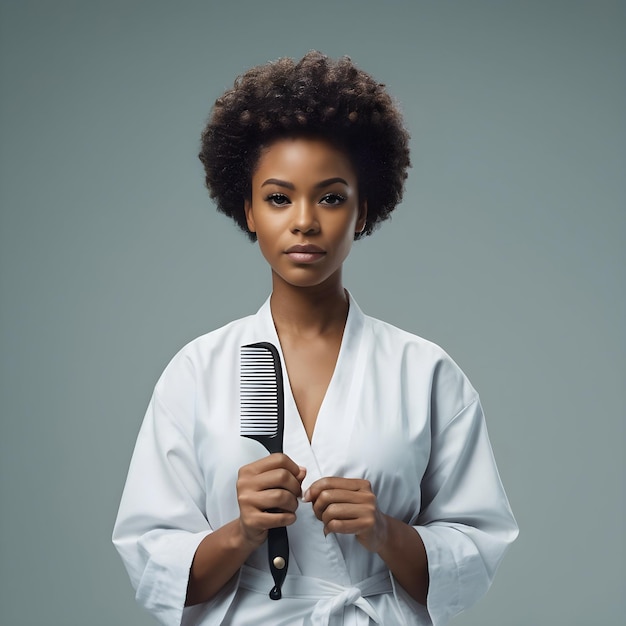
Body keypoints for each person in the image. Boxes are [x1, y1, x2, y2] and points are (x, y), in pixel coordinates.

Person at [113, 51, 518, 626]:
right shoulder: (197, 372)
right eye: (279, 198)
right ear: (249, 209)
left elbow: (473, 553)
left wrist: (383, 531)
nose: (304, 221)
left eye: (330, 197)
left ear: (362, 211)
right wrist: (242, 530)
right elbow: (158, 570)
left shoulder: (424, 372)